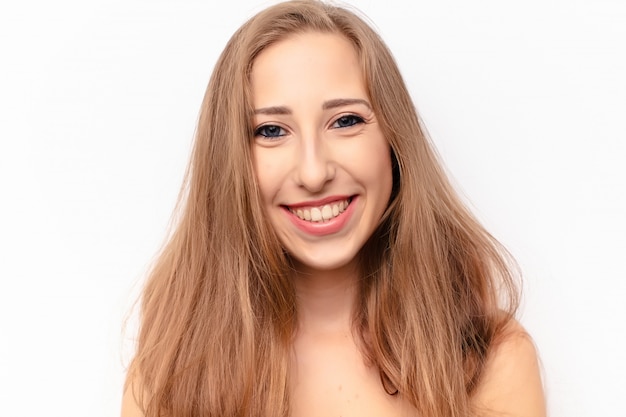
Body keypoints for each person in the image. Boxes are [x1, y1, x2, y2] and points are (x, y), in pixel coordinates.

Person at [121, 1, 545, 416]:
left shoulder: (490, 361)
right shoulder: (167, 376)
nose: (313, 172)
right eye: (271, 130)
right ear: (229, 163)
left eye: (345, 121)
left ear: (395, 143)